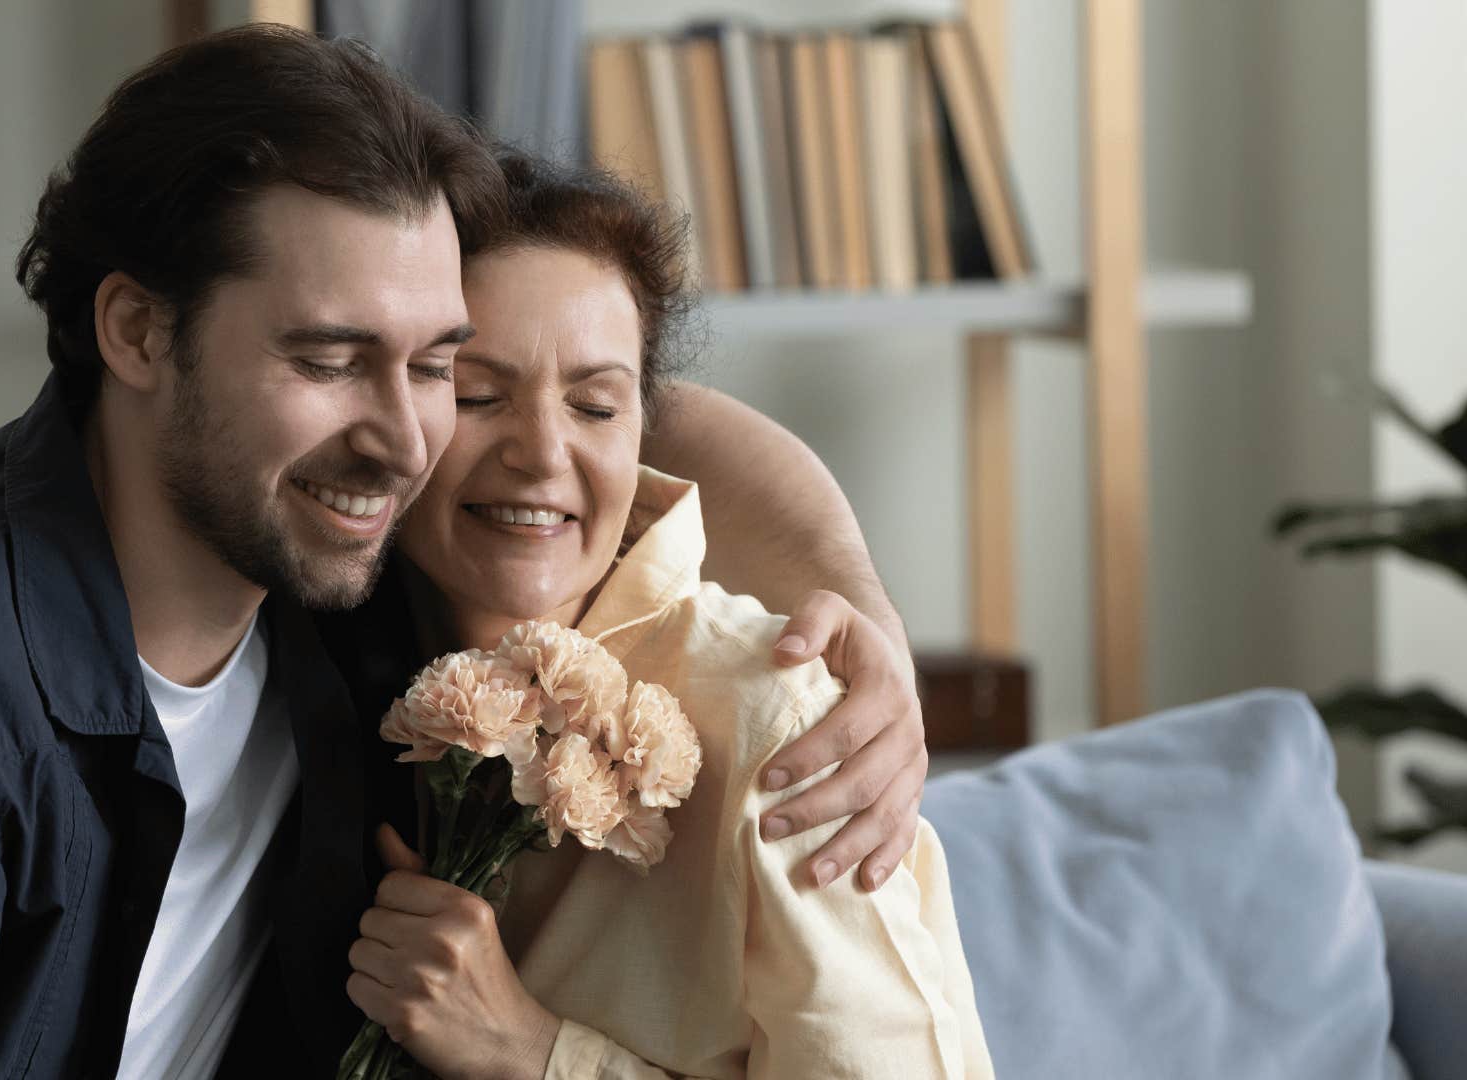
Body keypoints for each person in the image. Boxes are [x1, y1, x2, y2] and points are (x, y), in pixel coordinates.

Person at [0, 26, 931, 1080]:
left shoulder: (346, 607)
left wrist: (859, 609)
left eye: (434, 368)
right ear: (135, 333)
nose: (410, 436)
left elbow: (612, 402)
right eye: (329, 359)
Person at [321, 152, 993, 1079]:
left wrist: (532, 1053)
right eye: (478, 394)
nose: (542, 452)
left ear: (643, 426)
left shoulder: (779, 715)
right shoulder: (322, 653)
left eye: (596, 405)